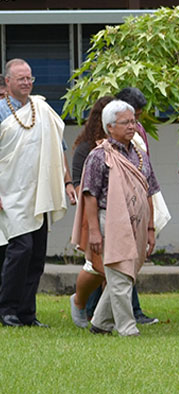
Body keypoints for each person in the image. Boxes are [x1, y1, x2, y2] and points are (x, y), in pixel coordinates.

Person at [72, 100, 159, 336]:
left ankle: (100, 323)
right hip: (109, 220)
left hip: (137, 224)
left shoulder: (139, 155)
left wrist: (150, 228)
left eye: (133, 121)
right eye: (125, 122)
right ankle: (127, 327)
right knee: (120, 273)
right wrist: (93, 231)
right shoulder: (99, 156)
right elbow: (89, 194)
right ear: (110, 126)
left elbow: (149, 191)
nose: (132, 126)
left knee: (126, 274)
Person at [0, 58, 75, 328]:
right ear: (7, 81)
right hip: (10, 195)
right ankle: (7, 309)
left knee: (36, 254)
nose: (26, 82)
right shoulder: (0, 111)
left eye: (29, 77)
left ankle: (27, 313)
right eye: (20, 78)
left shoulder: (41, 109)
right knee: (20, 249)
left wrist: (67, 183)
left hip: (39, 193)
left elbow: (59, 148)